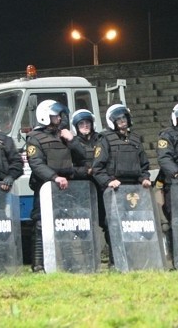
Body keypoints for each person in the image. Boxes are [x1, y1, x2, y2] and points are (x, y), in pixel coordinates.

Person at [26, 100, 86, 272]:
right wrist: (54, 177)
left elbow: (82, 157)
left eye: (60, 115)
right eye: (55, 115)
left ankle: (69, 262)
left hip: (67, 186)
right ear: (45, 116)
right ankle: (38, 264)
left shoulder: (65, 135)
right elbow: (36, 164)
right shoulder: (34, 138)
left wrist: (72, 140)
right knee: (40, 224)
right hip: (45, 186)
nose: (59, 118)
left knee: (65, 223)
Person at [70, 109, 110, 263]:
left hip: (100, 186)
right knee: (83, 225)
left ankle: (113, 256)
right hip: (81, 189)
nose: (85, 126)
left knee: (106, 222)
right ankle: (88, 259)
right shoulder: (70, 143)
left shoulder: (101, 139)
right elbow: (67, 168)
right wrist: (85, 171)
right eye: (81, 123)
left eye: (87, 123)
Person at [92, 104, 152, 191]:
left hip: (135, 186)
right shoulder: (105, 139)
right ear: (112, 121)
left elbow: (144, 165)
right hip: (114, 186)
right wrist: (108, 181)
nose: (122, 121)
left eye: (124, 117)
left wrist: (145, 178)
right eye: (118, 119)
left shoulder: (135, 138)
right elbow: (97, 168)